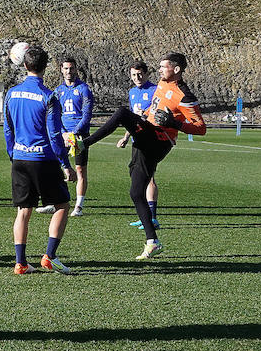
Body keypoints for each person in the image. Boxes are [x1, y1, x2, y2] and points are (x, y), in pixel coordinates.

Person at [82, 53, 206, 261]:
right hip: (146, 134)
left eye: (163, 67)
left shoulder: (184, 95)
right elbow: (152, 110)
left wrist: (174, 123)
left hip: (159, 141)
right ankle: (152, 242)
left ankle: (84, 144)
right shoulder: (161, 83)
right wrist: (133, 127)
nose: (159, 70)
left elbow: (201, 128)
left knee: (121, 113)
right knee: (136, 191)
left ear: (176, 69)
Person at [3, 45, 75, 275]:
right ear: (46, 67)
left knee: (23, 211)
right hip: (43, 159)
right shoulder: (49, 96)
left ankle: (20, 263)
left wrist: (12, 153)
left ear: (25, 66)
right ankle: (49, 256)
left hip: (20, 158)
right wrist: (65, 164)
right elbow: (54, 135)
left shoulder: (11, 93)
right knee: (62, 205)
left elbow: (8, 128)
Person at [43, 57, 94, 217]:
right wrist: (62, 132)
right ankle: (53, 202)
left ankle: (78, 206)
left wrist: (73, 133)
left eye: (71, 68)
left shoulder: (84, 89)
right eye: (65, 68)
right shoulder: (58, 91)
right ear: (61, 70)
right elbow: (55, 115)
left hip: (79, 136)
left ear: (76, 69)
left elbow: (86, 115)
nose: (68, 72)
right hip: (63, 135)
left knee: (80, 169)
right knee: (53, 167)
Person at [118, 61, 160, 229]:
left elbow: (158, 113)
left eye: (140, 74)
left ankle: (152, 217)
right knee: (139, 178)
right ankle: (145, 216)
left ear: (147, 73)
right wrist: (126, 137)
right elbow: (131, 119)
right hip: (137, 140)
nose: (137, 77)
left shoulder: (154, 90)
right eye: (134, 75)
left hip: (150, 139)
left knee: (149, 177)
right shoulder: (132, 92)